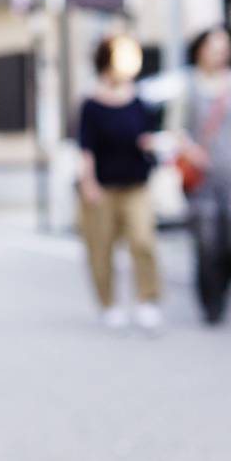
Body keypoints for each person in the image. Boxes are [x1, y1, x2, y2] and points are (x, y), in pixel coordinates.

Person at [171, 27, 231, 324]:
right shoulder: (189, 85)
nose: (221, 52)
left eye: (225, 47)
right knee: (206, 244)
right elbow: (176, 130)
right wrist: (193, 152)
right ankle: (210, 302)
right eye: (215, 47)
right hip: (201, 178)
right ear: (200, 50)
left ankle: (224, 287)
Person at [78, 34, 163, 333]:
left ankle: (147, 301)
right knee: (100, 248)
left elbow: (150, 135)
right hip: (103, 185)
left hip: (136, 182)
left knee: (143, 241)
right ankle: (108, 304)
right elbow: (85, 148)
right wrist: (88, 183)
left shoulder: (139, 100)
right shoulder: (91, 103)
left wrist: (155, 144)